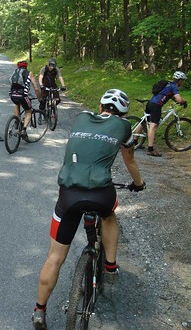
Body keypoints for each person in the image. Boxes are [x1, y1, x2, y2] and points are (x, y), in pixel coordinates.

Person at [32, 89, 145, 330]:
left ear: (101, 104)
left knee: (55, 257)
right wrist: (139, 184)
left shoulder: (82, 117)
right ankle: (110, 266)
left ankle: (39, 311)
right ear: (124, 111)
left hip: (69, 194)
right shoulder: (124, 126)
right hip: (101, 193)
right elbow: (130, 160)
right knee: (109, 215)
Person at [134, 71, 188, 157]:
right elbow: (178, 98)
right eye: (183, 80)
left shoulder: (168, 85)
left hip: (151, 103)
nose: (183, 82)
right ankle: (150, 149)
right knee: (153, 126)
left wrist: (179, 101)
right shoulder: (174, 87)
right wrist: (183, 102)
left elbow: (171, 97)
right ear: (180, 80)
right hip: (156, 105)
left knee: (144, 121)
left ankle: (135, 142)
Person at [9, 60, 41, 130]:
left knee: (17, 103)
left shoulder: (15, 72)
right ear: (26, 66)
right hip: (23, 95)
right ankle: (23, 130)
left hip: (12, 94)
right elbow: (36, 88)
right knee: (28, 111)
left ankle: (16, 120)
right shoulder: (29, 73)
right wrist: (39, 98)